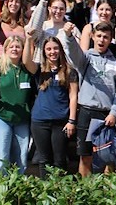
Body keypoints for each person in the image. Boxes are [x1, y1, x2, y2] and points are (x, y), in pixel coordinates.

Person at [60, 21, 116, 178]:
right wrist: (69, 36)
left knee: (108, 158)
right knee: (85, 156)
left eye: (106, 37)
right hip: (87, 113)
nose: (102, 40)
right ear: (92, 37)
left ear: (110, 39)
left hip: (107, 116)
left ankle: (107, 195)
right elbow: (74, 54)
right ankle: (86, 192)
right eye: (99, 36)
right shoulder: (86, 57)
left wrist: (114, 112)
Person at [27, 33, 78, 176]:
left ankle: (60, 192)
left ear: (60, 50)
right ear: (44, 52)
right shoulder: (40, 70)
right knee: (44, 159)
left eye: (55, 48)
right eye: (48, 49)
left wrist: (72, 120)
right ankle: (46, 193)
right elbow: (26, 62)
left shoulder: (69, 71)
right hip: (40, 121)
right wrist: (29, 40)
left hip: (61, 121)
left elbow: (73, 96)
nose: (52, 52)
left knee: (59, 160)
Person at [0, 35, 35, 175]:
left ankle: (17, 190)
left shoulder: (27, 70)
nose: (15, 49)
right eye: (11, 46)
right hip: (2, 117)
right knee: (1, 156)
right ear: (5, 49)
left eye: (18, 47)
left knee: (21, 158)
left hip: (22, 119)